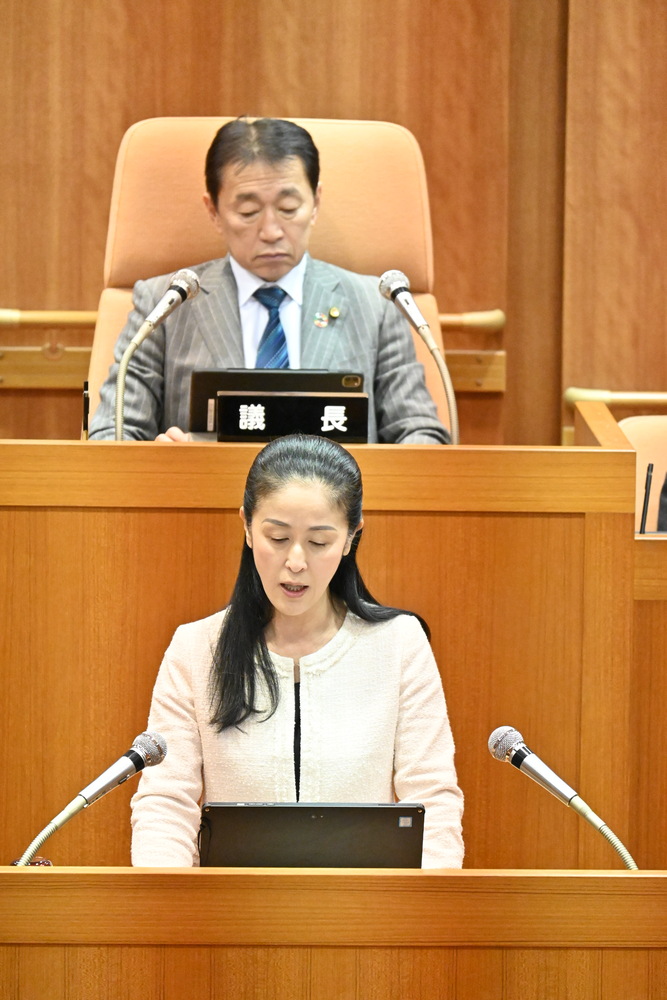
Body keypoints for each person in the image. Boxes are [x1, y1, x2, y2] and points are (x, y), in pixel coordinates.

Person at [130, 434, 464, 868]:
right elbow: (165, 806)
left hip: (366, 920)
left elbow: (433, 802)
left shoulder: (399, 644)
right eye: (278, 537)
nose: (296, 561)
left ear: (350, 538)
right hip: (227, 920)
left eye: (320, 541)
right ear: (247, 527)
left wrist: (416, 919)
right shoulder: (196, 649)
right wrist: (170, 914)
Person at [88, 117, 450, 444]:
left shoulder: (377, 304)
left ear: (316, 202)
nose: (272, 231)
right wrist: (157, 461)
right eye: (248, 212)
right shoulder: (164, 303)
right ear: (213, 211)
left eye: (289, 208)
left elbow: (421, 432)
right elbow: (112, 433)